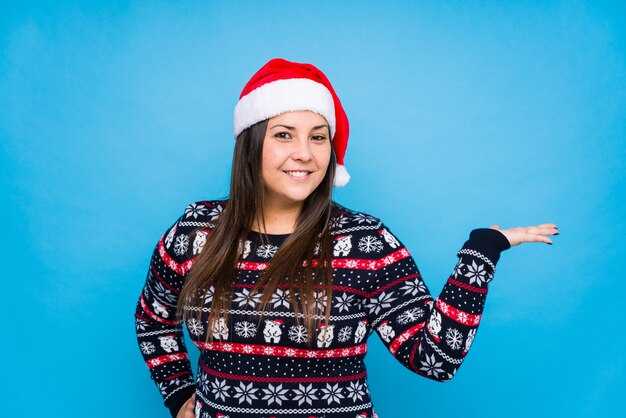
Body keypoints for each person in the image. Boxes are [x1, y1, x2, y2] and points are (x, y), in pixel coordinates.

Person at [134, 58, 558, 418]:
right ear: (251, 144)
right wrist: (179, 395)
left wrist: (482, 251)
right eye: (284, 134)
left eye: (318, 137)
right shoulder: (195, 234)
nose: (304, 153)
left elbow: (435, 358)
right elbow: (153, 321)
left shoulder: (365, 242)